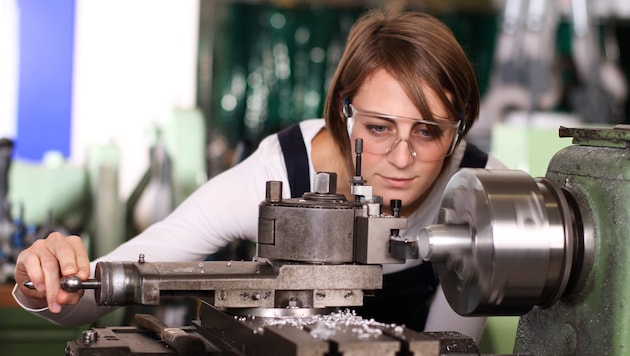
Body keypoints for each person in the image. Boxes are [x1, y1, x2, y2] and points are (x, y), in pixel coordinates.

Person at [12, 9, 505, 339]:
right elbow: (88, 300)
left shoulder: (485, 196)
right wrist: (45, 280)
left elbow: (450, 345)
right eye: (379, 128)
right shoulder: (276, 171)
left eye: (428, 132)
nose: (402, 157)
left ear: (459, 127)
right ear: (343, 111)